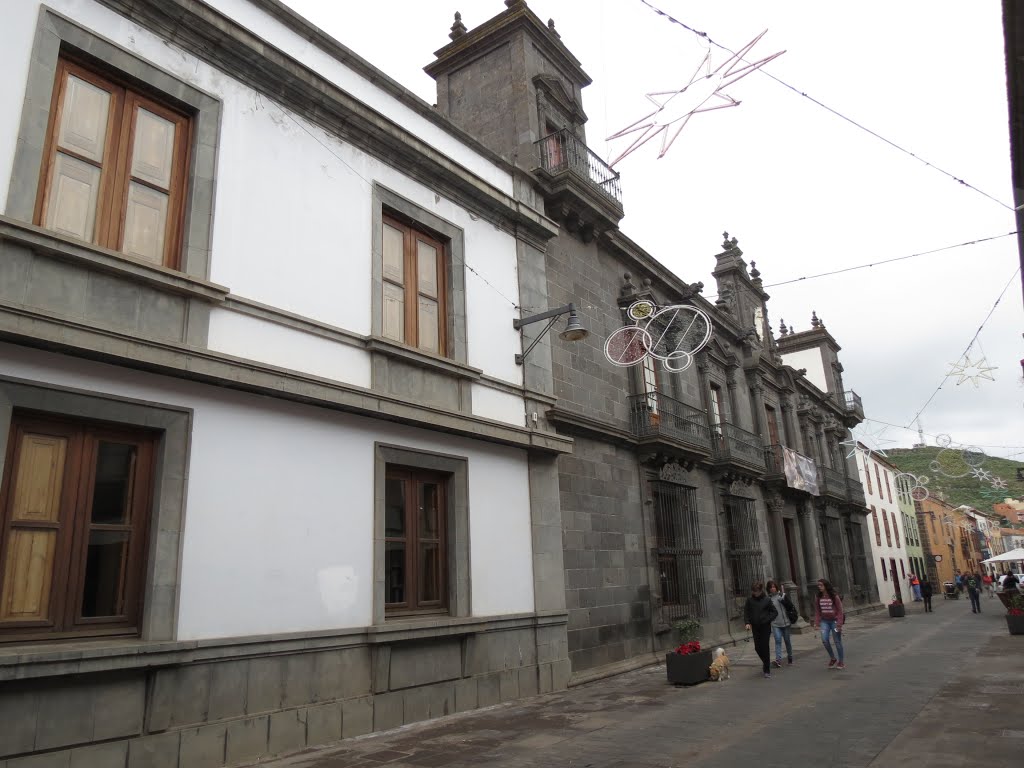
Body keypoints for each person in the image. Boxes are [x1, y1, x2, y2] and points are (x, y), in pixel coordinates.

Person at [744, 580, 779, 679]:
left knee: (764, 646)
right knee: (757, 647)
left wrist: (767, 620)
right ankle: (766, 662)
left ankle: (766, 669)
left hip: (765, 627)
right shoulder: (749, 600)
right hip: (755, 627)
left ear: (760, 591)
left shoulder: (767, 600)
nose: (754, 593)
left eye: (756, 591)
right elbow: (746, 612)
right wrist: (747, 622)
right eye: (753, 591)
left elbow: (774, 612)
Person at [813, 578, 845, 670]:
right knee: (824, 640)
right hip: (824, 621)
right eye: (818, 585)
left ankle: (841, 661)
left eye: (821, 585)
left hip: (834, 621)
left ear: (826, 586)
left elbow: (840, 611)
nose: (819, 587)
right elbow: (818, 611)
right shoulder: (818, 597)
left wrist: (839, 624)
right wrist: (816, 623)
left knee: (837, 641)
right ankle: (833, 658)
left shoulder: (834, 596)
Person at [766, 579, 797, 668]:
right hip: (776, 624)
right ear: (768, 589)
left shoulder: (782, 595)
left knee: (787, 641)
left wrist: (782, 600)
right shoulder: (768, 599)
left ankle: (790, 657)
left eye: (774, 587)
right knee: (778, 641)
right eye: (770, 587)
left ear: (776, 587)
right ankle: (778, 660)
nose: (772, 589)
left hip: (785, 623)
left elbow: (790, 606)